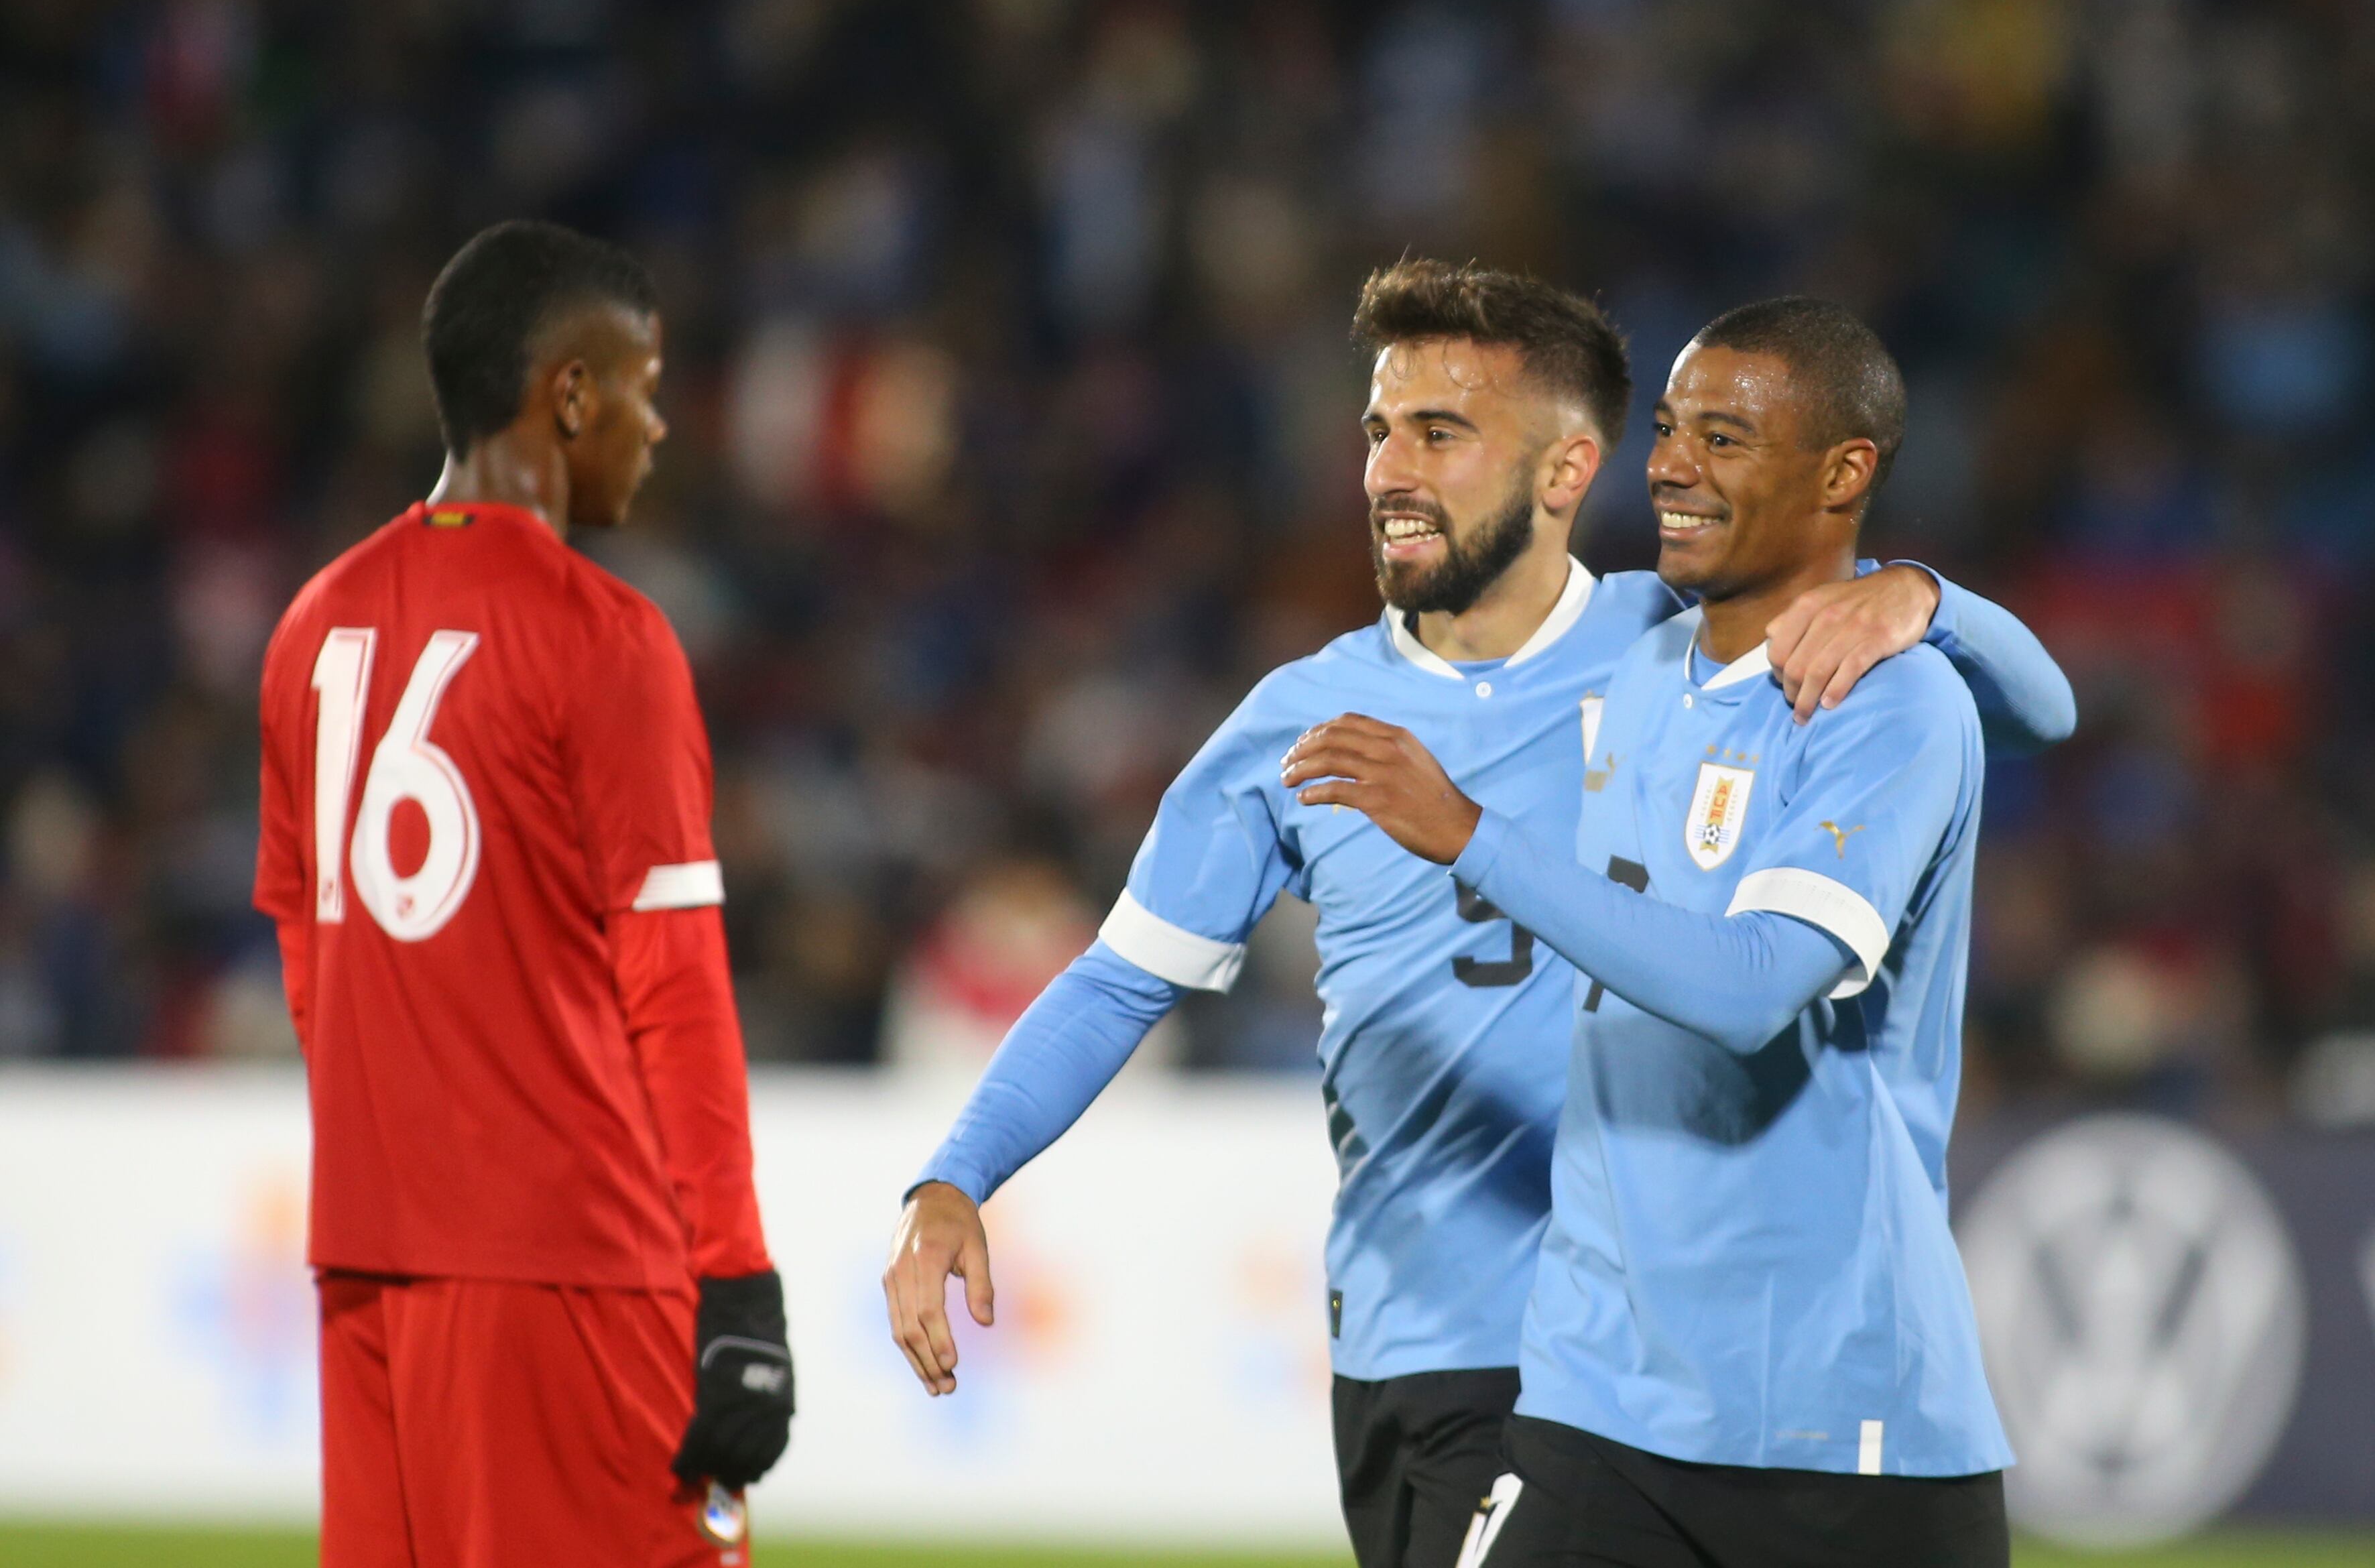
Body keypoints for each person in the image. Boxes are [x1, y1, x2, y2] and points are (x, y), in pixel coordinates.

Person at [884, 263, 2068, 1568]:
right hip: (1427, 1338)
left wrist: (1924, 596)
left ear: (1562, 472)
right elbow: (1121, 978)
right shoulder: (1298, 720)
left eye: (1436, 434)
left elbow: (2022, 714)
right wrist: (957, 1171)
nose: (1388, 468)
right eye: (1376, 432)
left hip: (1609, 1352)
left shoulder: (1669, 647)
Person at [1284, 298, 2017, 1567]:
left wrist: (1928, 597)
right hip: (1600, 1394)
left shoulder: (1894, 705)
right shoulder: (1636, 667)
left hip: (1835, 1413)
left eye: (1724, 438)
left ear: (1845, 472)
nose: (1670, 463)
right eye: (1670, 428)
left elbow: (1751, 988)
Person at [253, 221, 793, 1568]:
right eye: (645, 385)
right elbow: (673, 981)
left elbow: (312, 967)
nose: (659, 426)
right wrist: (733, 1274)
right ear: (568, 393)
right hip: (570, 1266)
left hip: (367, 1260)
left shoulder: (314, 624)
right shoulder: (606, 637)